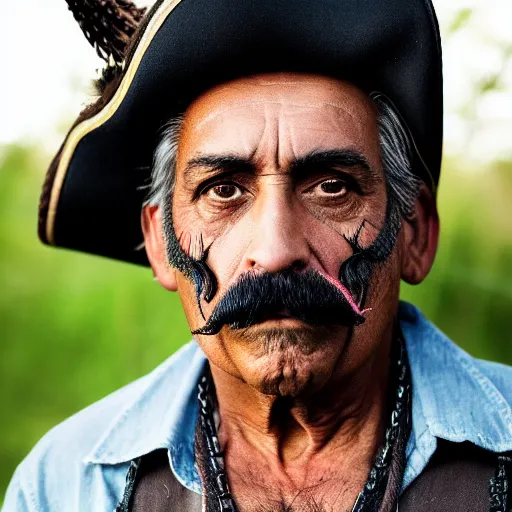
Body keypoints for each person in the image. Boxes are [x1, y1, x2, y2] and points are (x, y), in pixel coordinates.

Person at [3, 0, 512, 510]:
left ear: (416, 234)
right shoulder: (65, 487)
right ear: (160, 242)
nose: (274, 252)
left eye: (332, 187)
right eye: (223, 191)